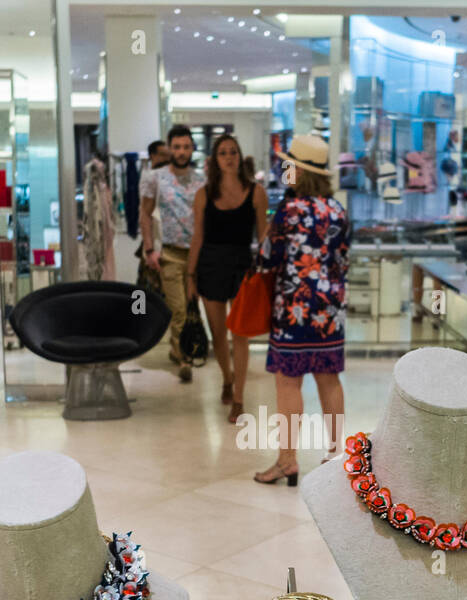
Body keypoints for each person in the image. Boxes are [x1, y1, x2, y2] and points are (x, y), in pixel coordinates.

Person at [253, 134, 349, 486]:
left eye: (287, 165)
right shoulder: (337, 211)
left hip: (292, 309)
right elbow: (342, 261)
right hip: (329, 311)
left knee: (288, 383)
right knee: (329, 380)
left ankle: (287, 461)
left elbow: (266, 258)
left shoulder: (288, 213)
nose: (283, 170)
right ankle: (336, 456)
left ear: (298, 171)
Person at [186, 134, 268, 422]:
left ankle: (239, 398)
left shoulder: (256, 192)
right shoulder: (203, 195)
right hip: (210, 265)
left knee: (240, 335)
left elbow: (264, 236)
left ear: (239, 155)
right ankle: (227, 378)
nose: (229, 157)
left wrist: (268, 271)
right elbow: (197, 237)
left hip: (242, 266)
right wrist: (190, 275)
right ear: (215, 160)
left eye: (233, 151)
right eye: (223, 153)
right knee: (219, 335)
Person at [141, 125, 203, 382]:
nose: (181, 151)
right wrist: (149, 249)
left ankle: (183, 346)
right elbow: (145, 213)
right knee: (177, 308)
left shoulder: (202, 180)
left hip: (198, 253)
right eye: (176, 147)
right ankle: (184, 356)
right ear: (170, 149)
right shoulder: (156, 178)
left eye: (186, 146)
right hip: (170, 253)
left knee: (192, 306)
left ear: (192, 148)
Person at [135, 141, 171, 299]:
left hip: (166, 242)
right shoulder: (148, 177)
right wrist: (149, 249)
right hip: (154, 243)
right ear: (152, 156)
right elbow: (145, 214)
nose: (166, 158)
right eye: (162, 154)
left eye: (167, 154)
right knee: (147, 294)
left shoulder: (170, 177)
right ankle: (140, 321)